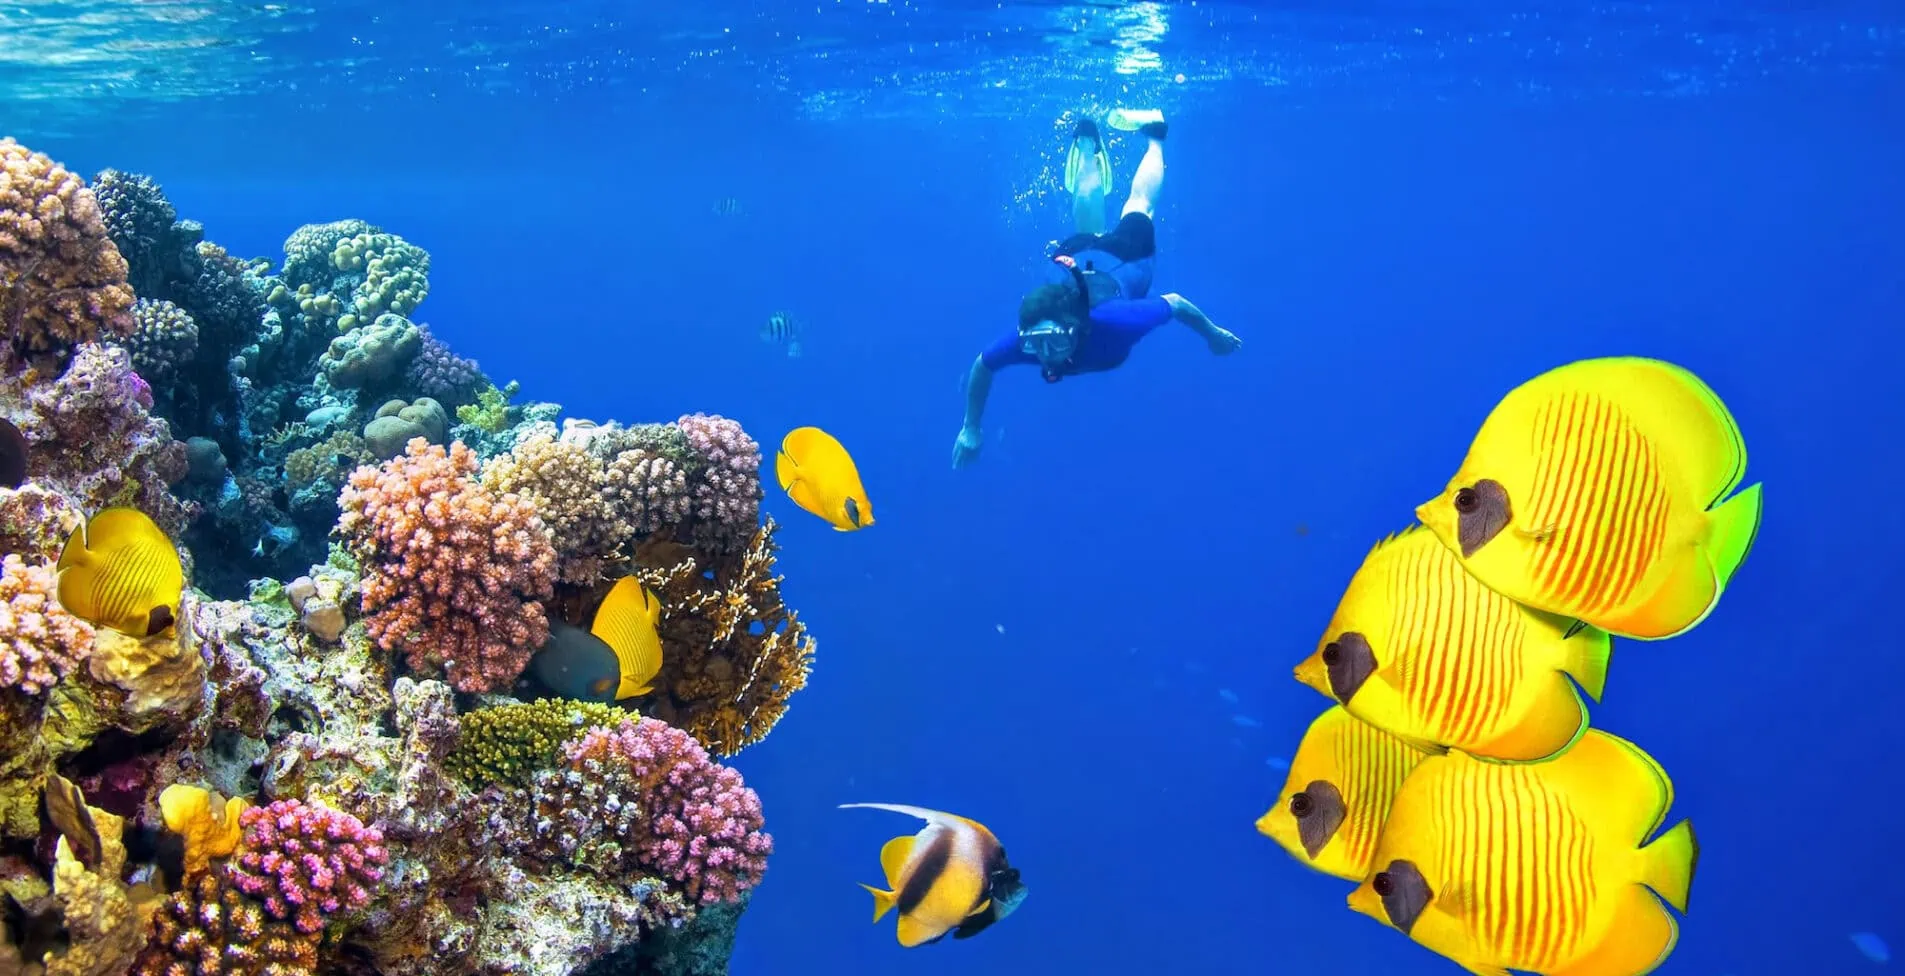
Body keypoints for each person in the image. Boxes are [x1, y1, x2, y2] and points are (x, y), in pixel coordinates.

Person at [951, 110, 1242, 469]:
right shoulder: (1032, 337)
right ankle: (1089, 147)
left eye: (1053, 341)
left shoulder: (1117, 320)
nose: (1044, 354)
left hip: (1127, 257)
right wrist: (970, 428)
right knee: (1101, 222)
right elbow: (983, 365)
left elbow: (1176, 303)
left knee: (1140, 205)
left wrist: (1212, 334)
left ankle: (1154, 133)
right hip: (1072, 258)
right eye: (1034, 343)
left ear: (1076, 327)